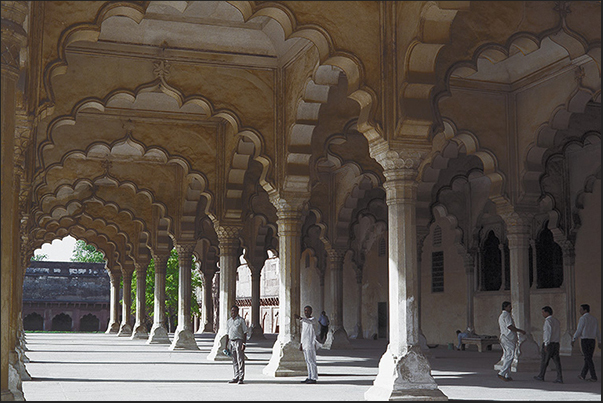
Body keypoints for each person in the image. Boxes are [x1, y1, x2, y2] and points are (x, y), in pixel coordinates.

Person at [497, 301, 526, 382]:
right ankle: (502, 372)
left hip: (504, 337)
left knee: (507, 355)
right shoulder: (506, 315)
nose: (511, 308)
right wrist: (520, 330)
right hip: (508, 338)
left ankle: (507, 374)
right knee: (510, 355)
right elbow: (509, 326)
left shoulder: (501, 315)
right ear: (505, 307)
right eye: (509, 307)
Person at [572, 304, 601, 382]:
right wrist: (599, 341)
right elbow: (598, 331)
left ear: (585, 310)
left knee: (588, 358)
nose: (580, 311)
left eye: (581, 309)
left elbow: (579, 330)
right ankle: (583, 375)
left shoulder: (583, 318)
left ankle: (593, 376)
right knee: (588, 358)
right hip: (592, 340)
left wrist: (574, 338)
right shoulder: (594, 319)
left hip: (585, 340)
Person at [533, 306, 563, 383]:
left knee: (544, 361)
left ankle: (541, 375)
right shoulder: (556, 321)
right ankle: (559, 377)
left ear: (547, 312)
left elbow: (547, 333)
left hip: (549, 344)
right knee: (557, 362)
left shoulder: (548, 321)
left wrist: (546, 344)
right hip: (556, 343)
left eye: (543, 312)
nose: (542, 314)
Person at [295, 305, 322, 384]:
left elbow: (309, 321)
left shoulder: (313, 320)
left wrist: (300, 318)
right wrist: (301, 343)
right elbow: (303, 333)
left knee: (312, 361)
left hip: (310, 343)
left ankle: (314, 377)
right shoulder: (304, 321)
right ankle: (309, 376)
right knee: (307, 361)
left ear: (311, 312)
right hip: (305, 344)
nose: (306, 312)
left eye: (308, 311)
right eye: (305, 311)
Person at [225, 305, 248, 384]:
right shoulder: (229, 321)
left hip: (239, 341)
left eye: (234, 311)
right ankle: (236, 376)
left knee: (240, 360)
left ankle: (241, 377)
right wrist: (226, 346)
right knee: (234, 360)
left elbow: (245, 332)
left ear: (237, 312)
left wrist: (244, 343)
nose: (233, 312)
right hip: (231, 342)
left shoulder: (241, 321)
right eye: (232, 311)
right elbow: (228, 334)